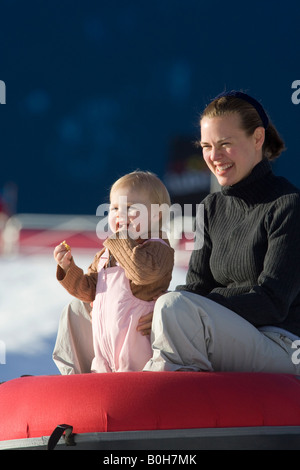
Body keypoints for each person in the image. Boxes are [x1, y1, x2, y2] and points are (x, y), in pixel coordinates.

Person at [143, 90, 300, 374]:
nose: (214, 157)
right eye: (206, 146)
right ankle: (87, 397)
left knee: (174, 308)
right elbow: (195, 287)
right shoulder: (210, 208)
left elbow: (272, 303)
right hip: (232, 336)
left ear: (257, 138)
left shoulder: (288, 205)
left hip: (283, 344)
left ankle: (161, 400)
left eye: (225, 144)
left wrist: (198, 303)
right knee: (92, 313)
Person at [53, 171, 174, 373]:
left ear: (157, 215)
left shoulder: (158, 247)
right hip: (104, 351)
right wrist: (68, 268)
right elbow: (89, 290)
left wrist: (121, 240)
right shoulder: (107, 252)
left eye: (131, 208)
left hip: (138, 350)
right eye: (115, 208)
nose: (121, 215)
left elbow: (142, 273)